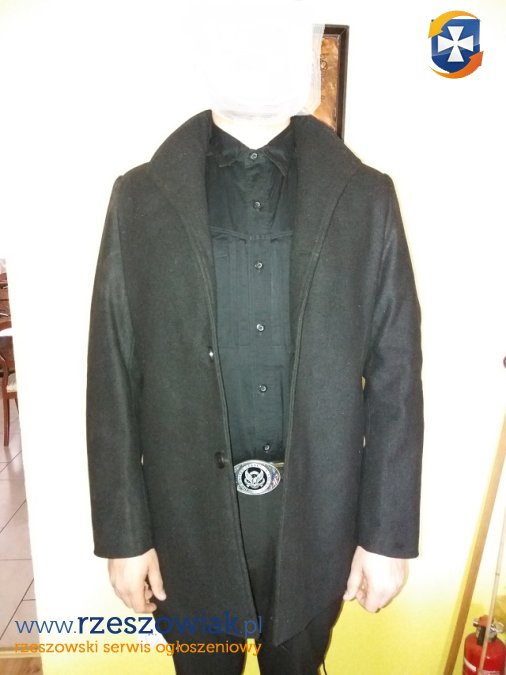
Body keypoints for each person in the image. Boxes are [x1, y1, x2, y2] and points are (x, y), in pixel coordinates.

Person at [86, 6, 423, 674]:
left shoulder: (367, 198)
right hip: (185, 523)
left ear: (307, 53)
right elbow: (111, 374)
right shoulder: (139, 199)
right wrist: (124, 536)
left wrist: (386, 536)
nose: (254, 48)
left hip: (320, 522)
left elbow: (396, 377)